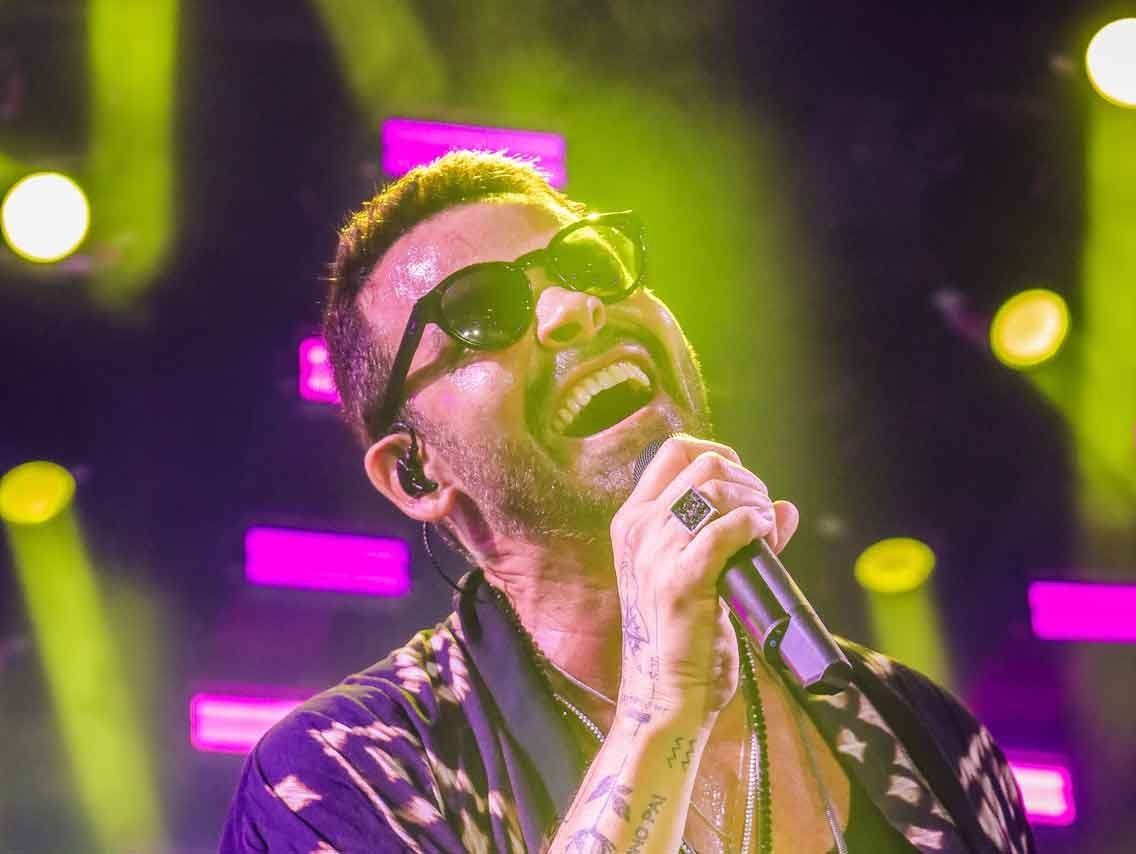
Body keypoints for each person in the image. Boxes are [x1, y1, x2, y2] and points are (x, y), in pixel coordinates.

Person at [220, 150, 1035, 853]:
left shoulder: (925, 736)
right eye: (481, 313)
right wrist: (660, 706)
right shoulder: (344, 774)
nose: (575, 309)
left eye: (589, 263)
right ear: (416, 473)